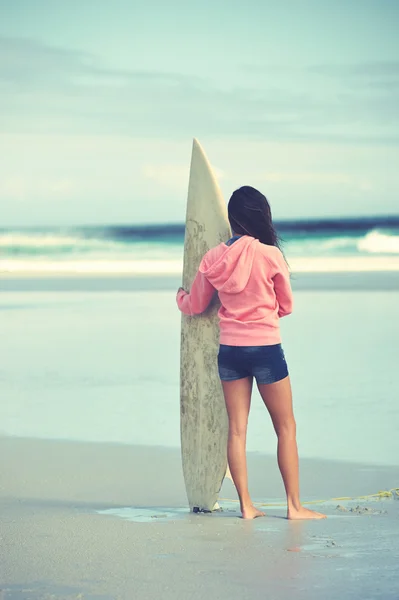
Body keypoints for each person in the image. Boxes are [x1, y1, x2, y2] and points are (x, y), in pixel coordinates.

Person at [176, 185, 326, 520]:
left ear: (231, 220)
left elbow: (196, 305)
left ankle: (245, 506)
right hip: (266, 349)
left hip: (230, 351)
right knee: (285, 427)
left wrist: (180, 298)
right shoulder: (270, 255)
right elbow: (286, 305)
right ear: (261, 217)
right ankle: (294, 506)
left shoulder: (213, 258)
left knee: (237, 429)